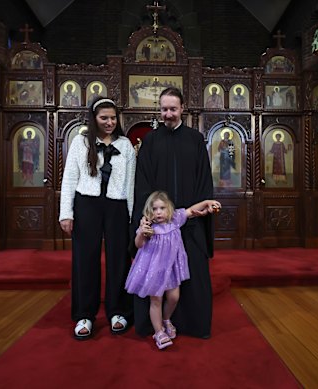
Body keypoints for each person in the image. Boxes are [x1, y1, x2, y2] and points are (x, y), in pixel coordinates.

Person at [131, 86, 215, 339]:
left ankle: (192, 324)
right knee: (157, 278)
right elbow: (142, 181)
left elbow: (204, 179)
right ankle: (154, 326)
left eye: (173, 109)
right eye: (164, 109)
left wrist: (202, 207)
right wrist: (148, 215)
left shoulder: (194, 139)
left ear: (182, 109)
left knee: (194, 273)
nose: (168, 114)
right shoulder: (151, 141)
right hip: (159, 225)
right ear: (160, 110)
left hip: (188, 223)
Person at [59, 97, 135, 340]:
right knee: (85, 258)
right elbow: (70, 178)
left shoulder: (126, 145)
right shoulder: (80, 143)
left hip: (117, 205)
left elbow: (131, 184)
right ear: (94, 119)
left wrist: (133, 217)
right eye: (104, 118)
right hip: (87, 204)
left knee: (118, 258)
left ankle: (118, 311)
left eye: (113, 118)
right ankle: (85, 314)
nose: (110, 122)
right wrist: (66, 213)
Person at [125, 191, 221, 350]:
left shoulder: (175, 219)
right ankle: (158, 332)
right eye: (154, 209)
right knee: (155, 300)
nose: (158, 212)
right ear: (149, 210)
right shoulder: (148, 226)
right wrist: (142, 232)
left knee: (174, 297)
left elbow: (191, 211)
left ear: (168, 209)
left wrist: (206, 202)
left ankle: (166, 319)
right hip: (154, 270)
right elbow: (138, 244)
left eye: (162, 208)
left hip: (171, 268)